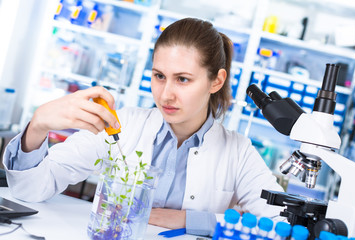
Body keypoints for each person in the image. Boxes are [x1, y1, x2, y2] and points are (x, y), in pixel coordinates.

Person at [2, 18, 283, 236]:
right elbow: (30, 191)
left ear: (216, 81)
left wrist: (193, 220)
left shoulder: (238, 151)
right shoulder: (121, 125)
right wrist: (38, 126)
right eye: (159, 76)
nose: (165, 94)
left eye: (183, 79)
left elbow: (279, 225)